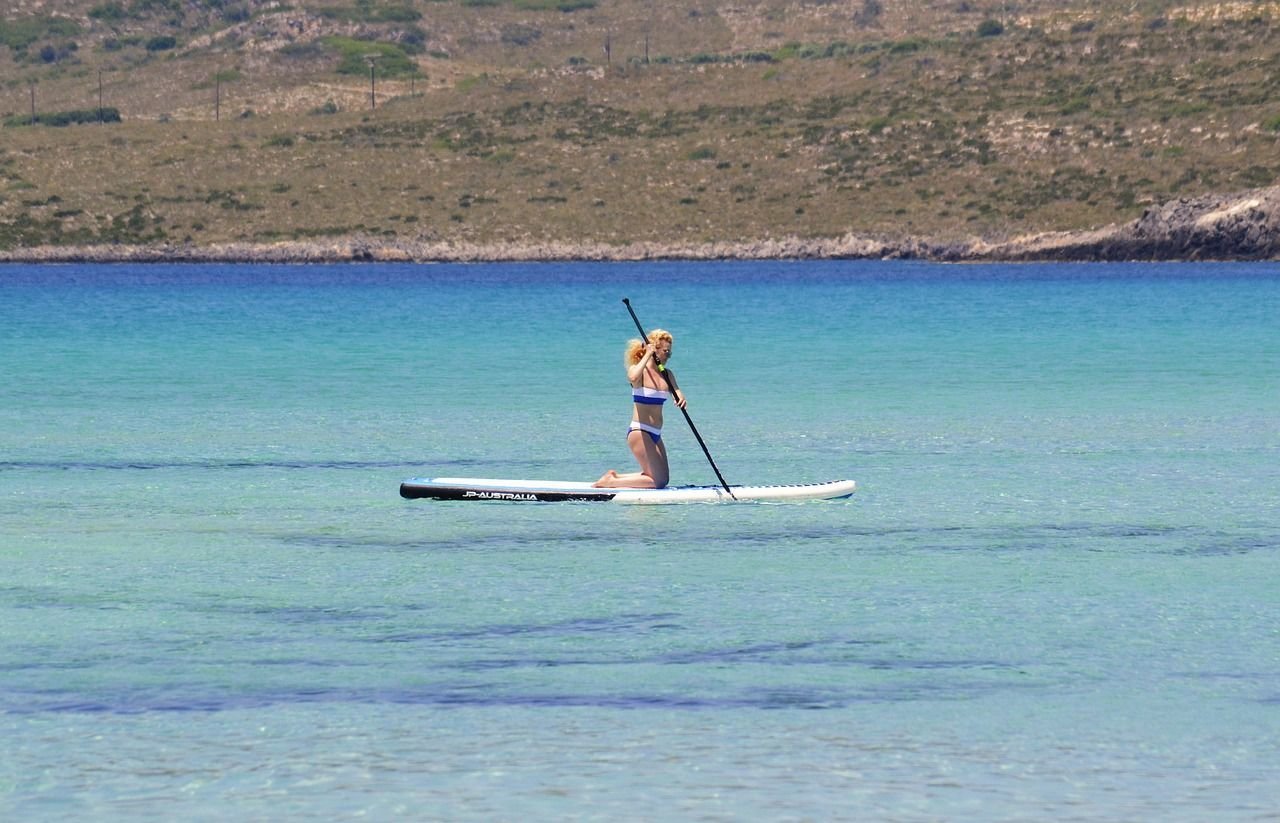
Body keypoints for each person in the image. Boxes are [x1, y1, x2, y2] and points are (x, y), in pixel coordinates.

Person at [593, 329, 686, 488]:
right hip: (640, 431)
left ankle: (616, 477)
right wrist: (647, 354)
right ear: (654, 349)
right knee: (658, 482)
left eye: (670, 353)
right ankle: (610, 482)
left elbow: (677, 391)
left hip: (656, 433)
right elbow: (632, 377)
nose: (668, 356)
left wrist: (680, 398)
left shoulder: (667, 375)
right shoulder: (638, 371)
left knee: (663, 479)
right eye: (665, 352)